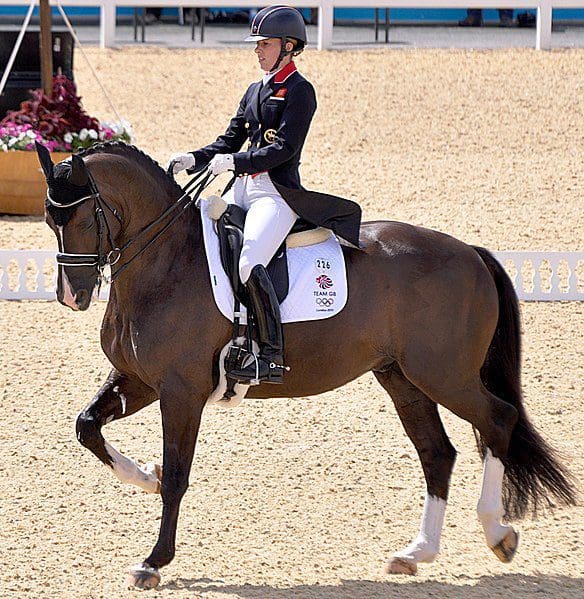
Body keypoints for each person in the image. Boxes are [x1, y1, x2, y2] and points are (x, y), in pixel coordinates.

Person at [168, 5, 361, 386]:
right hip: (240, 189)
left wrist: (235, 162)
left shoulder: (300, 91)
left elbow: (284, 149)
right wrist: (195, 158)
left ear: (289, 47)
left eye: (265, 44)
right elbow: (229, 140)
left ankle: (269, 354)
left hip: (276, 194)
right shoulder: (255, 90)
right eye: (257, 44)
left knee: (249, 260)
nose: (257, 50)